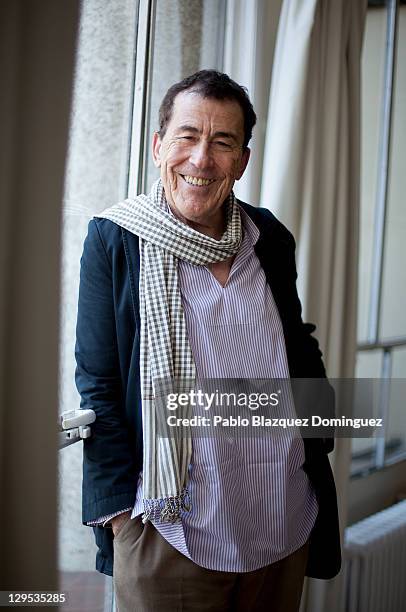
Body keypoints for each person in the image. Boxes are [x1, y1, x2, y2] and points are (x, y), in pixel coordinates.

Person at [75, 70, 341, 612]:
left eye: (223, 143)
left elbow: (296, 341)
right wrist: (122, 518)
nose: (202, 159)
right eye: (188, 136)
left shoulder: (269, 237)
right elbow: (99, 383)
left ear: (242, 160)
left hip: (281, 516)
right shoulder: (115, 239)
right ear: (159, 147)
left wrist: (322, 421)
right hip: (171, 531)